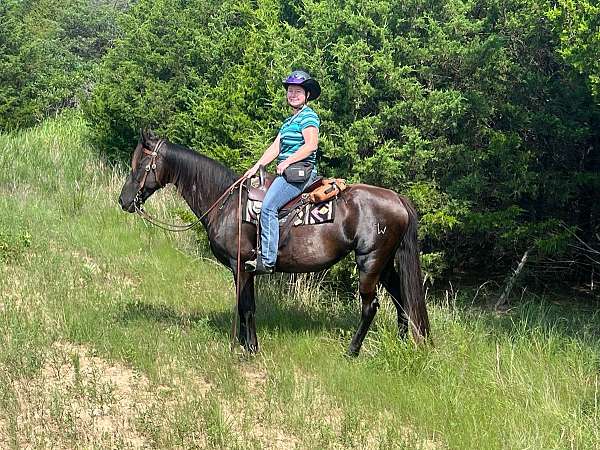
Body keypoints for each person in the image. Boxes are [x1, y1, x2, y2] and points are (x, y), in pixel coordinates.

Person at [243, 70, 321, 274]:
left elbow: (311, 145)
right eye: (290, 91)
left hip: (301, 171)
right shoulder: (288, 122)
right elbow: (275, 148)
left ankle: (267, 261)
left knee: (268, 206)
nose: (293, 94)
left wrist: (287, 162)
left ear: (307, 95)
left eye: (298, 91)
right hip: (289, 170)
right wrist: (256, 167)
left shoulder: (309, 116)